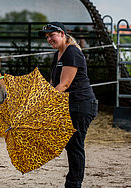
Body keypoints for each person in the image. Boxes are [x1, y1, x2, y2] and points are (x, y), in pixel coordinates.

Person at [38, 22, 98, 188]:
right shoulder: (59, 54)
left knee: (75, 145)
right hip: (70, 105)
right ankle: (73, 182)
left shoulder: (71, 52)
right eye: (47, 37)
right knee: (71, 145)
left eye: (52, 35)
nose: (49, 39)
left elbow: (64, 85)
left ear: (62, 34)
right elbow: (53, 82)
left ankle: (74, 184)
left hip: (82, 104)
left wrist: (43, 104)